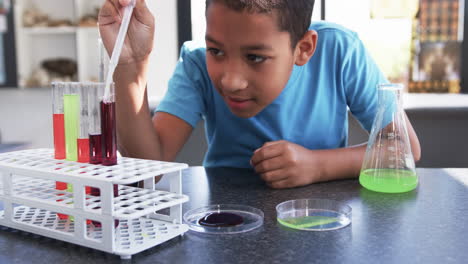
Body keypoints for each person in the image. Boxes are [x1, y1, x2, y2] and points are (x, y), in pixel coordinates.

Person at [99, 0, 421, 189]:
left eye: (255, 57)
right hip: (226, 223)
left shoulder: (341, 51)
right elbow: (147, 168)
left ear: (303, 49)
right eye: (217, 50)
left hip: (323, 220)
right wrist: (130, 67)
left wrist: (317, 166)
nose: (231, 80)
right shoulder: (196, 63)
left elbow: (404, 150)